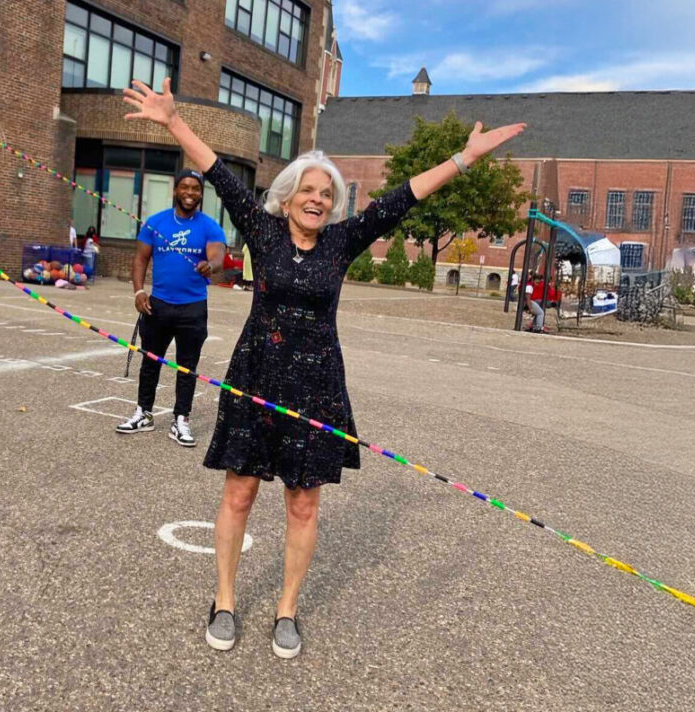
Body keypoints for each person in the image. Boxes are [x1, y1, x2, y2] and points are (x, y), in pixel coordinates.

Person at [123, 77, 525, 658]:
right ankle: (226, 601)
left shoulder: (341, 243)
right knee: (239, 494)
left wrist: (463, 158)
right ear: (286, 198)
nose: (317, 198)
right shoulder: (261, 229)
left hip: (316, 386)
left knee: (304, 502)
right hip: (257, 375)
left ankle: (287, 611)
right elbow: (216, 170)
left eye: (326, 192)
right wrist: (173, 122)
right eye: (306, 189)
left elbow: (402, 199)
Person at [114, 167, 226, 447]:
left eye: (196, 189)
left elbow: (218, 255)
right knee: (150, 361)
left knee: (187, 367)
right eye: (185, 187)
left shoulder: (209, 225)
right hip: (158, 305)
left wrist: (209, 265)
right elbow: (140, 259)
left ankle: (181, 420)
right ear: (175, 190)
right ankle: (144, 413)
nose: (190, 193)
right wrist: (139, 290)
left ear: (201, 194)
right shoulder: (155, 222)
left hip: (193, 308)